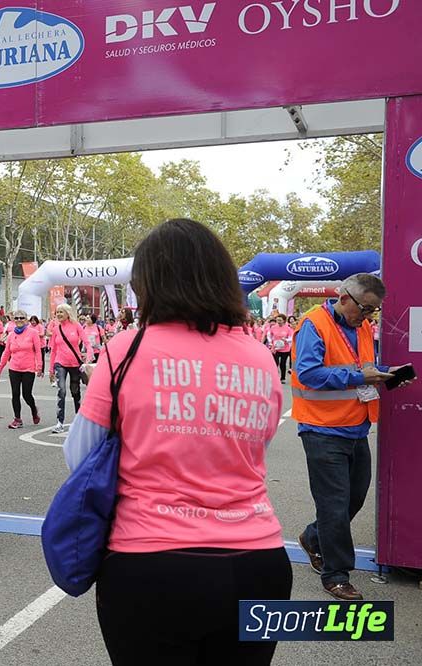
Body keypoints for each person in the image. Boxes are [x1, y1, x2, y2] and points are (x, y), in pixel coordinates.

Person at [64, 218, 291, 664]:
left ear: (151, 284)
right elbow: (256, 449)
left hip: (150, 563)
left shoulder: (125, 349)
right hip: (258, 561)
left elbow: (80, 458)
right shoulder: (260, 357)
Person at [292, 274, 413, 601]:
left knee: (354, 498)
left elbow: (361, 367)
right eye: (365, 308)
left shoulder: (360, 327)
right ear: (343, 297)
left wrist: (385, 374)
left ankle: (314, 537)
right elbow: (308, 373)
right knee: (334, 505)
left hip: (356, 426)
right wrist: (361, 375)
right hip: (321, 430)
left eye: (374, 311)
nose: (369, 316)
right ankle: (336, 574)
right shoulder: (312, 324)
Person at [0, 309, 43, 429]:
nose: (19, 320)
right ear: (13, 320)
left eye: (22, 318)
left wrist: (39, 367)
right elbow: (6, 353)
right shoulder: (11, 335)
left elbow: (38, 351)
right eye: (17, 318)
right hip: (14, 368)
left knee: (27, 395)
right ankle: (17, 419)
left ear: (26, 320)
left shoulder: (33, 333)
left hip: (28, 368)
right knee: (15, 394)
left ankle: (33, 409)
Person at [48, 304, 91, 434]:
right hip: (60, 363)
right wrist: (50, 370)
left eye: (61, 312)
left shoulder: (76, 326)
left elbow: (87, 343)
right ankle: (59, 423)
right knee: (61, 391)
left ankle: (79, 421)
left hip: (75, 364)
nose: (59, 314)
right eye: (57, 312)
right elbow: (53, 350)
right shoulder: (56, 329)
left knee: (75, 392)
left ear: (68, 313)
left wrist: (88, 359)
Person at [267, 315, 294, 382]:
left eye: (280, 320)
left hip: (285, 349)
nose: (278, 322)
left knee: (283, 363)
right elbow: (269, 335)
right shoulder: (273, 327)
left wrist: (286, 340)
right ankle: (275, 377)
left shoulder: (288, 328)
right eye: (277, 320)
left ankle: (283, 378)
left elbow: (291, 337)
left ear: (284, 321)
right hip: (275, 348)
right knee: (275, 363)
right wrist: (270, 342)